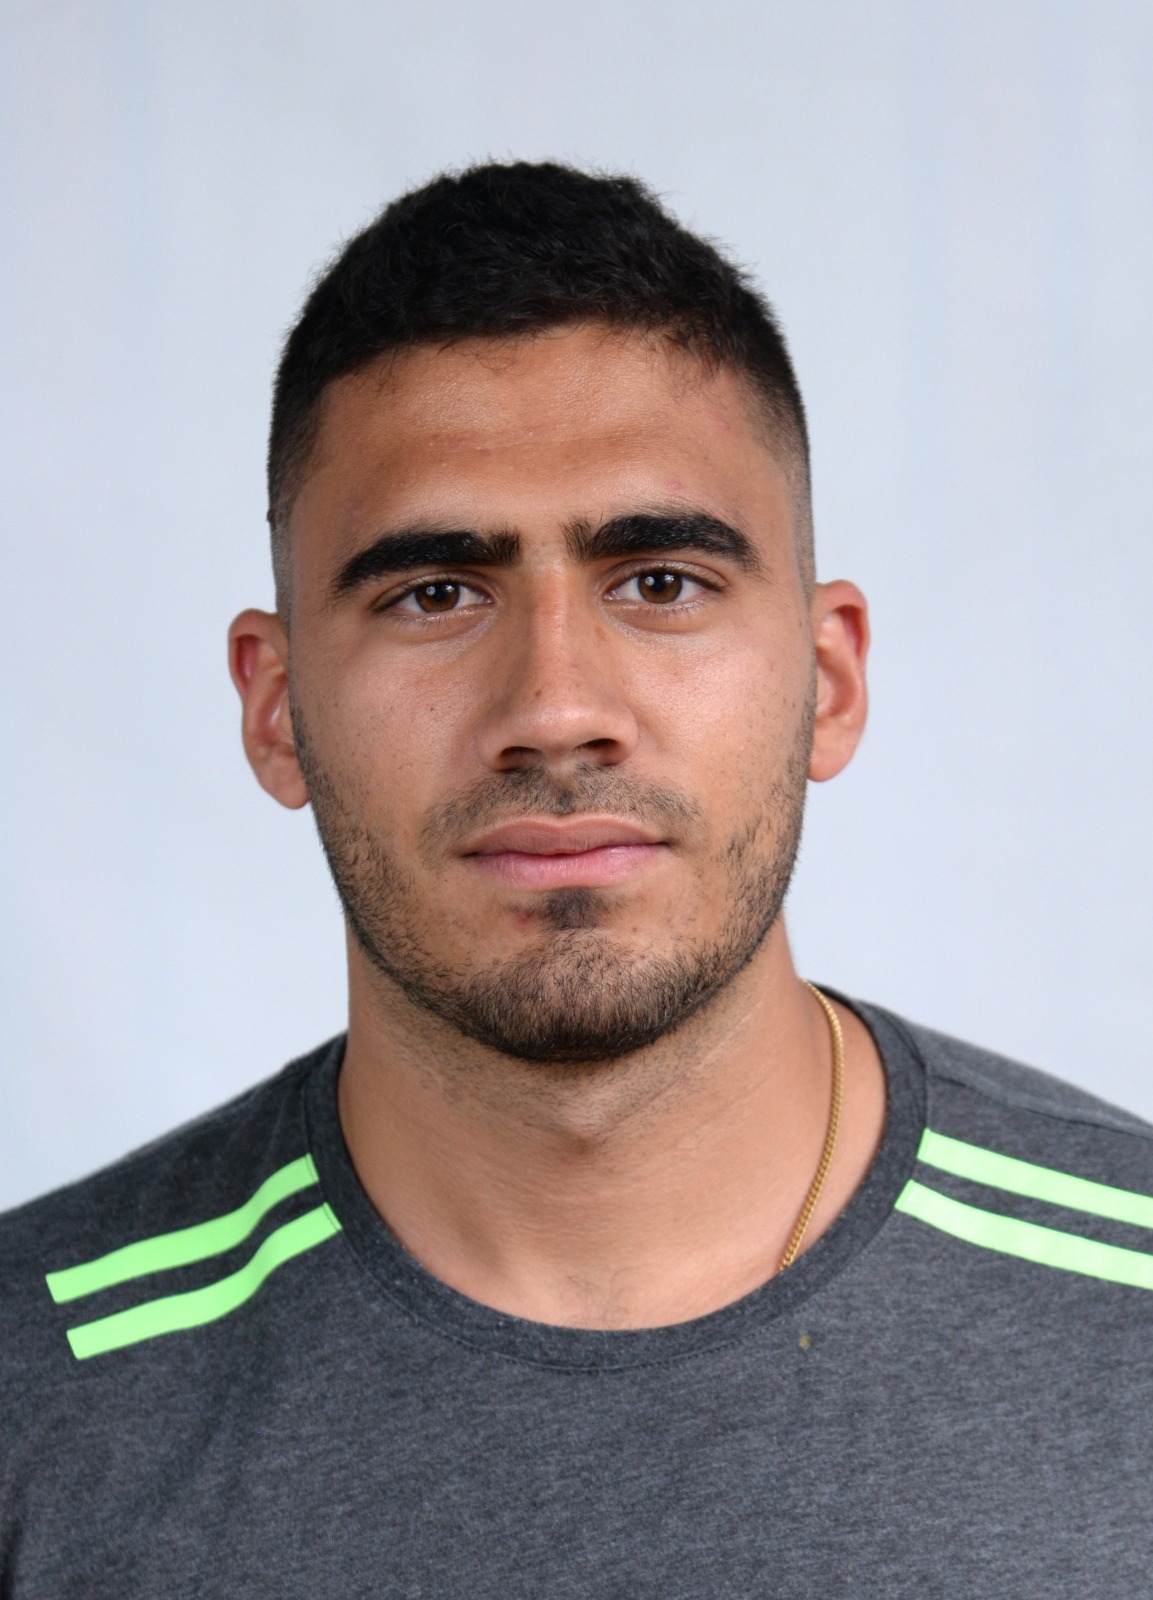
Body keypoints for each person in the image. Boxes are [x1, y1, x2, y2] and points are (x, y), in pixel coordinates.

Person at [2, 161, 1151, 1597]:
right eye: (435, 594)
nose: (554, 707)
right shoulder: (34, 1392)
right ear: (276, 708)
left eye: (659, 582)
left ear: (828, 678)